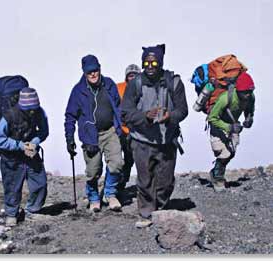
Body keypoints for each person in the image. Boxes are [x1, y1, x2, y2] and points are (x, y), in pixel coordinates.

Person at [121, 44, 188, 228]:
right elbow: (125, 112)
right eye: (146, 62)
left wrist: (170, 116)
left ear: (161, 62)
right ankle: (146, 213)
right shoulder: (136, 83)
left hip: (167, 141)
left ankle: (162, 210)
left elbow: (182, 110)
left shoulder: (174, 82)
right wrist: (144, 117)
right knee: (145, 180)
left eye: (154, 62)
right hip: (142, 141)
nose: (150, 65)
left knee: (165, 181)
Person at [64, 54, 124, 212]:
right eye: (89, 71)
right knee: (93, 171)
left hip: (110, 131)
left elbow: (118, 106)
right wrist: (69, 138)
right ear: (84, 72)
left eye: (95, 70)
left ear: (100, 69)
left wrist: (121, 127)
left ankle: (110, 194)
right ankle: (93, 197)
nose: (93, 74)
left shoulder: (109, 84)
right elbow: (70, 116)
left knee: (117, 163)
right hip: (90, 135)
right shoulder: (78, 91)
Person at [0, 87, 49, 227]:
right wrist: (20, 145)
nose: (32, 112)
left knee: (40, 182)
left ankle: (33, 210)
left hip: (30, 152)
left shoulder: (39, 112)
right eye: (29, 110)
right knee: (12, 186)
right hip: (11, 156)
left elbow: (43, 131)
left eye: (34, 109)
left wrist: (34, 142)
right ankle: (12, 214)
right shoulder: (9, 116)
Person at [207, 71, 255, 192]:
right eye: (245, 92)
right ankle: (217, 177)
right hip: (218, 126)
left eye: (250, 91)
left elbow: (250, 110)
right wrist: (228, 128)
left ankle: (217, 174)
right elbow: (212, 118)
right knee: (222, 153)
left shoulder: (251, 97)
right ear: (238, 90)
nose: (248, 95)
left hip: (234, 125)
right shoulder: (225, 99)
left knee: (231, 152)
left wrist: (249, 119)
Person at [115, 64, 141, 195]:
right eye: (130, 75)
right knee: (121, 160)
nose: (132, 77)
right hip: (122, 130)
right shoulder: (118, 88)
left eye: (135, 75)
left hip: (138, 130)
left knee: (134, 159)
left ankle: (142, 185)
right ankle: (118, 185)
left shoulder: (145, 89)